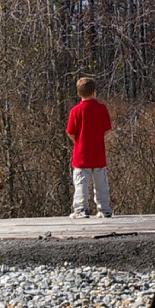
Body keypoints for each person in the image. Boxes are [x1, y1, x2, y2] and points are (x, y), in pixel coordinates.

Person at [66, 76, 112, 218]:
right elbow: (107, 129)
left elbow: (71, 132)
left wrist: (79, 141)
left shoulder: (76, 111)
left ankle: (81, 209)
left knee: (81, 183)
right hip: (98, 153)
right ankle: (105, 209)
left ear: (79, 93)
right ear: (94, 92)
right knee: (101, 184)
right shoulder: (101, 109)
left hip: (81, 154)